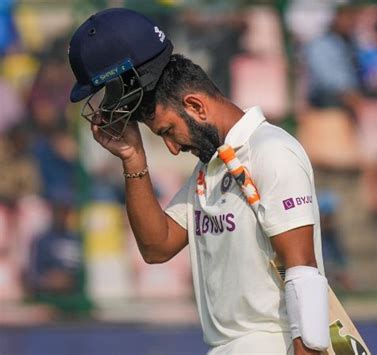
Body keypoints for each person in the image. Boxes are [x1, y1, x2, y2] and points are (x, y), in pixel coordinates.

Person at [68, 8, 328, 355]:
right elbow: (157, 246)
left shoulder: (271, 152)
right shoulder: (211, 168)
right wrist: (133, 158)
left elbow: (303, 278)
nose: (173, 148)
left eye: (168, 132)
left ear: (196, 106)